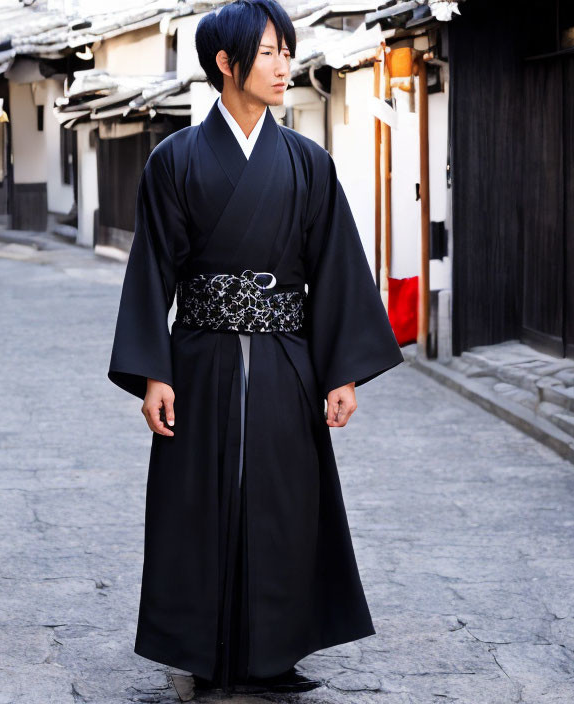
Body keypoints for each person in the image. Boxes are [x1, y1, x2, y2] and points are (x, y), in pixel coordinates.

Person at [107, 0, 404, 694]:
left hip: (285, 359)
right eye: (267, 52)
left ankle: (276, 654)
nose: (282, 65)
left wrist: (342, 372)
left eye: (284, 51)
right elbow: (152, 268)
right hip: (200, 357)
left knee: (284, 501)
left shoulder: (307, 164)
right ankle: (200, 655)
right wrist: (153, 373)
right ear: (225, 63)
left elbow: (335, 267)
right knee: (195, 502)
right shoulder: (173, 161)